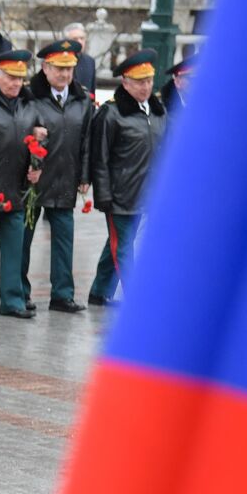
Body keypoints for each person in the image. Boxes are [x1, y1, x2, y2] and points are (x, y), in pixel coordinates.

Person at [88, 49, 166, 306]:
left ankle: (99, 292)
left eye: (149, 81)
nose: (145, 87)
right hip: (120, 192)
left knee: (119, 243)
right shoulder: (111, 113)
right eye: (139, 82)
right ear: (125, 82)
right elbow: (100, 158)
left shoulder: (156, 111)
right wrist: (104, 195)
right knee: (123, 247)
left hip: (147, 191)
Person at [0, 49, 44, 318]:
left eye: (19, 79)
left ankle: (12, 299)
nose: (16, 84)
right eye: (10, 78)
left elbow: (39, 139)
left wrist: (38, 165)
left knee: (15, 249)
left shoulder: (28, 105)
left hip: (16, 189)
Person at [24, 39, 94, 313]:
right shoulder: (30, 96)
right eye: (58, 69)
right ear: (45, 67)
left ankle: (63, 294)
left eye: (69, 69)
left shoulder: (82, 99)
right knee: (24, 240)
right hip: (35, 181)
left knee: (65, 239)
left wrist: (84, 176)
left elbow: (86, 141)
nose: (64, 75)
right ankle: (21, 292)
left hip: (66, 178)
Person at [63, 22, 96, 92]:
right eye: (75, 39)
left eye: (82, 38)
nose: (80, 42)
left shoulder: (90, 61)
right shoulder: (59, 60)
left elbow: (92, 92)